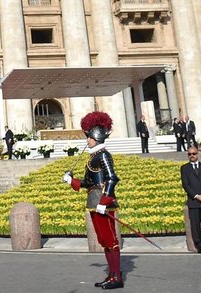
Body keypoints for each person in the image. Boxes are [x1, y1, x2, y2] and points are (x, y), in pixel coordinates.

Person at [63, 111, 122, 289]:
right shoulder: (93, 157)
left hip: (102, 202)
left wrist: (104, 202)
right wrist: (71, 181)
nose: (87, 140)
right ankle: (111, 275)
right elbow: (89, 182)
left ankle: (116, 278)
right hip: (93, 202)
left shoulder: (103, 155)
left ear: (96, 137)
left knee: (111, 240)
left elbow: (112, 178)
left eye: (88, 137)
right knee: (103, 240)